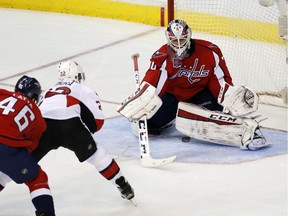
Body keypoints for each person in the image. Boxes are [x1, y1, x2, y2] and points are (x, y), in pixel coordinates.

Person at [117, 19, 271, 150]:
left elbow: (221, 84)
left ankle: (245, 131)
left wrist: (229, 102)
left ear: (188, 36)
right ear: (168, 39)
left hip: (200, 95)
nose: (178, 45)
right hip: (173, 98)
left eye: (182, 40)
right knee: (151, 123)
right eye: (174, 41)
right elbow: (153, 86)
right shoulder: (162, 57)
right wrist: (142, 102)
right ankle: (172, 117)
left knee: (220, 112)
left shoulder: (210, 52)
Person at [0, 61, 135, 203]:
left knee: (18, 162)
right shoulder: (83, 89)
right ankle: (124, 186)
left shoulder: (47, 93)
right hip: (70, 124)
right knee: (97, 156)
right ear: (77, 75)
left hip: (44, 126)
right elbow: (98, 121)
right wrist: (85, 135)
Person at [0, 76, 56, 216]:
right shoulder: (38, 118)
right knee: (37, 177)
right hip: (6, 145)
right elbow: (29, 149)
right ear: (35, 96)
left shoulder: (2, 93)